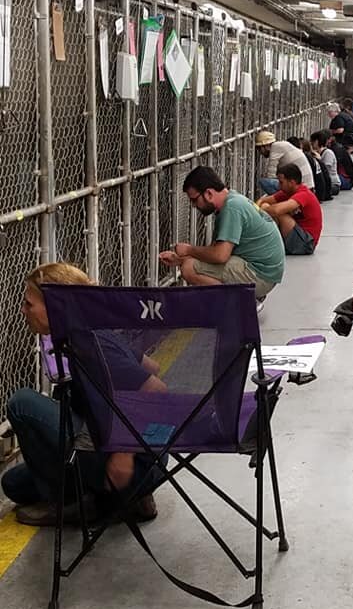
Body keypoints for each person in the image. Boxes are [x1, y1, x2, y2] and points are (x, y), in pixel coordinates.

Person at [2, 263, 165, 526]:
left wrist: (125, 453)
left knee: (22, 403)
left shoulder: (90, 345)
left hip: (126, 463)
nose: (23, 311)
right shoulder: (91, 331)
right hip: (137, 457)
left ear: (56, 307)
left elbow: (157, 391)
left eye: (29, 304)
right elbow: (152, 366)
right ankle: (130, 497)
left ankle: (74, 504)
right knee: (14, 484)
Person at [160, 166, 284, 300]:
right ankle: (246, 297)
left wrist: (189, 250)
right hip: (266, 272)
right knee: (191, 263)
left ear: (208, 193)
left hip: (261, 276)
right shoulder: (232, 200)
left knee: (189, 268)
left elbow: (220, 256)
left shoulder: (231, 208)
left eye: (195, 200)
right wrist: (178, 259)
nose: (194, 205)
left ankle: (240, 303)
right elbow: (213, 254)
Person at [257, 164, 323, 255]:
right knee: (266, 206)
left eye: (281, 182)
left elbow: (277, 211)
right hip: (298, 235)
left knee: (279, 213)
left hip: (306, 243)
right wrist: (259, 206)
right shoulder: (287, 192)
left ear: (291, 182)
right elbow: (263, 200)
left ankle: (268, 243)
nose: (279, 186)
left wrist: (258, 211)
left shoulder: (304, 194)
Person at [311, 129, 341, 196]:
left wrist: (319, 160)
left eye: (312, 142)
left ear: (316, 142)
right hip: (326, 183)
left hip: (333, 185)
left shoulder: (328, 153)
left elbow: (325, 171)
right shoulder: (318, 153)